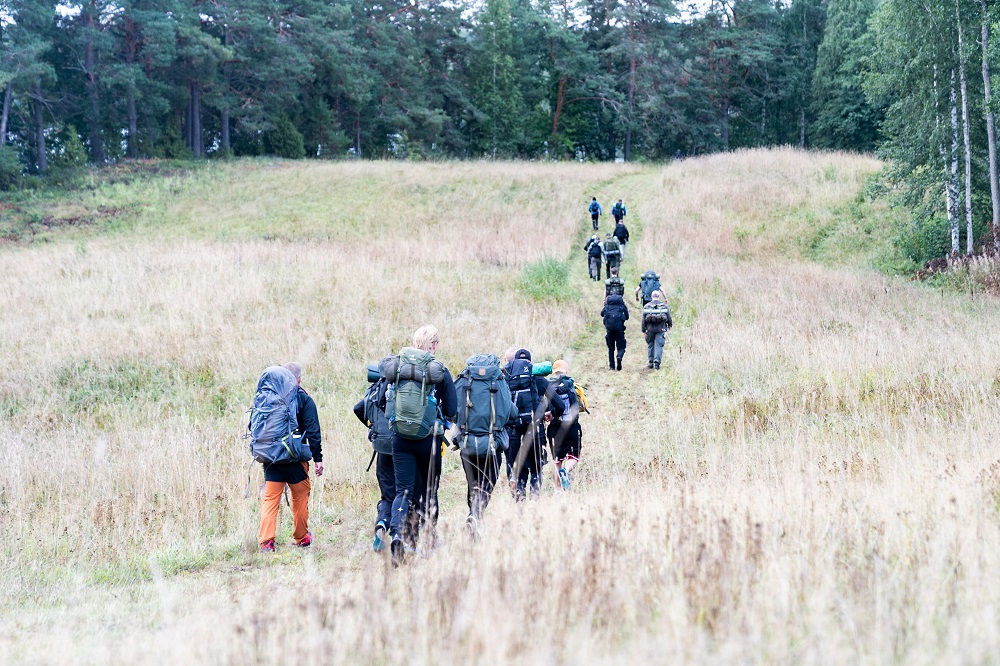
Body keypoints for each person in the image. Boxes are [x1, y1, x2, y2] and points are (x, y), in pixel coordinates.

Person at [381, 325, 457, 566]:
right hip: (429, 440)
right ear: (433, 345)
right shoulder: (438, 370)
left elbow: (384, 400)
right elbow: (453, 409)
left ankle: (397, 535)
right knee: (429, 490)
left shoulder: (398, 367)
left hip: (400, 438)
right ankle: (427, 540)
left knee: (403, 490)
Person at [258, 362, 323, 552]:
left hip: (272, 459)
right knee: (300, 496)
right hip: (296, 460)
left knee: (271, 499)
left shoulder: (270, 397)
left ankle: (266, 542)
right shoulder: (304, 400)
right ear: (299, 379)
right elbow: (313, 431)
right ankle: (302, 537)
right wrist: (318, 458)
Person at [453, 354, 516, 537]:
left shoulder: (464, 380)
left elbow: (452, 409)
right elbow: (510, 411)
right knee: (488, 482)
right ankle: (475, 515)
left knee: (473, 484)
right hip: (492, 443)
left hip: (467, 444)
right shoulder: (499, 380)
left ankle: (474, 516)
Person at [504, 348, 563, 500]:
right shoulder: (540, 380)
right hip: (536, 432)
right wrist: (552, 414)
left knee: (521, 470)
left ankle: (520, 506)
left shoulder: (508, 381)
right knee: (537, 470)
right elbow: (560, 406)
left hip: (515, 433)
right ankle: (534, 504)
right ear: (530, 364)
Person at [353, 362, 396, 553]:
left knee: (387, 495)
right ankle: (399, 533)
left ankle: (381, 524)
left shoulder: (375, 388)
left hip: (382, 449)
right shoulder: (402, 388)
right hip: (404, 450)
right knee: (404, 493)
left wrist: (372, 427)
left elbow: (358, 408)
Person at [546, 360, 583, 491]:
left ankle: (557, 491)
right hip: (572, 427)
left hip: (555, 429)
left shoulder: (548, 387)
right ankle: (566, 470)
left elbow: (545, 409)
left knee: (557, 462)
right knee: (573, 457)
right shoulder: (572, 385)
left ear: (553, 372)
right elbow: (582, 406)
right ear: (566, 371)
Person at [641, 290, 673, 370]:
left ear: (652, 296)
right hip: (661, 329)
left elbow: (643, 320)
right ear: (659, 297)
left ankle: (651, 363)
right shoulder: (664, 306)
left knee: (650, 345)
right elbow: (669, 317)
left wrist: (644, 330)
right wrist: (669, 326)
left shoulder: (646, 306)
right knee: (659, 346)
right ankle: (657, 363)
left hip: (650, 329)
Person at [601, 294, 629, 371]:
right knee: (621, 347)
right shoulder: (621, 306)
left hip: (609, 330)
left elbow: (601, 314)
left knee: (610, 348)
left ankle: (612, 367)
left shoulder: (607, 306)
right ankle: (619, 356)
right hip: (619, 329)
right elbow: (627, 316)